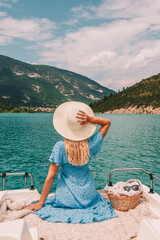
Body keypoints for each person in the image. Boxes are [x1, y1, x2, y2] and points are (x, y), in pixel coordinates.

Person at [27, 101, 118, 223]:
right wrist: (90, 119)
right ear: (85, 127)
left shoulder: (60, 147)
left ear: (65, 127)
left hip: (65, 199)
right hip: (88, 197)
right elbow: (107, 123)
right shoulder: (91, 145)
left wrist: (41, 202)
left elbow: (51, 176)